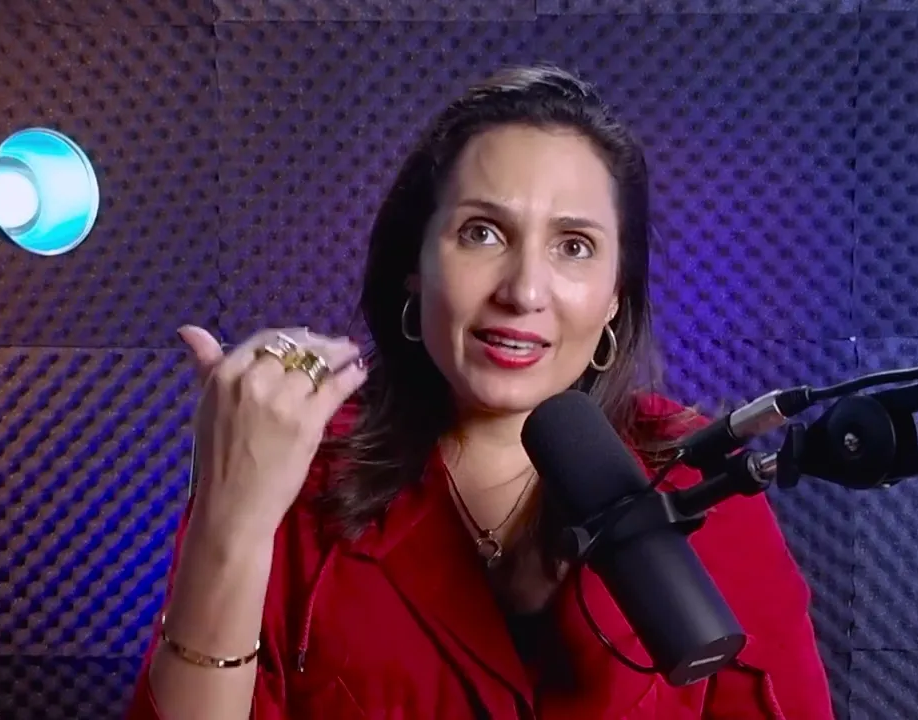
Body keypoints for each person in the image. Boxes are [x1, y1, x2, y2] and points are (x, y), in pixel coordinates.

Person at [125, 64, 834, 719]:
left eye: (574, 246)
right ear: (415, 265)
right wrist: (232, 520)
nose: (523, 291)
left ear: (616, 294)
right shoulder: (297, 471)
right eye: (482, 233)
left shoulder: (698, 481)